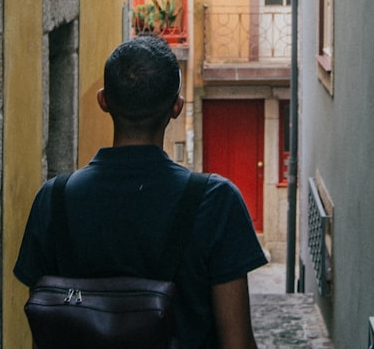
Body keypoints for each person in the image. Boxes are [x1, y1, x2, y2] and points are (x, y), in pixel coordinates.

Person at [14, 36, 267, 348]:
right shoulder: (216, 201)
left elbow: (45, 324)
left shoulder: (52, 200)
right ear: (176, 107)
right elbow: (237, 343)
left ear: (103, 100)